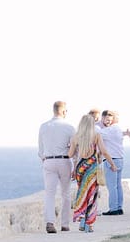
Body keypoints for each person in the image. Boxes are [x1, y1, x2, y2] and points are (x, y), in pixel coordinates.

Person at [68, 113, 114, 233]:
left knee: (82, 193)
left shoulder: (75, 137)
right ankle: (89, 224)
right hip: (92, 168)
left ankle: (82, 220)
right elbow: (104, 151)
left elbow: (70, 154)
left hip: (81, 168)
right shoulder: (96, 135)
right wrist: (112, 164)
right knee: (92, 196)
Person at [37, 99, 75, 234]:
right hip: (64, 161)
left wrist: (45, 159)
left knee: (49, 194)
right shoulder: (70, 127)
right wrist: (75, 165)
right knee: (65, 194)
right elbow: (74, 149)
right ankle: (65, 224)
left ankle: (50, 222)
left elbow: (40, 150)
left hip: (48, 161)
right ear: (64, 111)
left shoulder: (43, 126)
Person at [100, 109, 130, 216]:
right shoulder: (117, 129)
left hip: (111, 159)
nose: (105, 120)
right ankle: (119, 207)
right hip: (120, 159)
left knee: (112, 186)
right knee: (118, 185)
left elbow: (96, 133)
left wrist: (97, 123)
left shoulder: (109, 130)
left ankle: (113, 209)